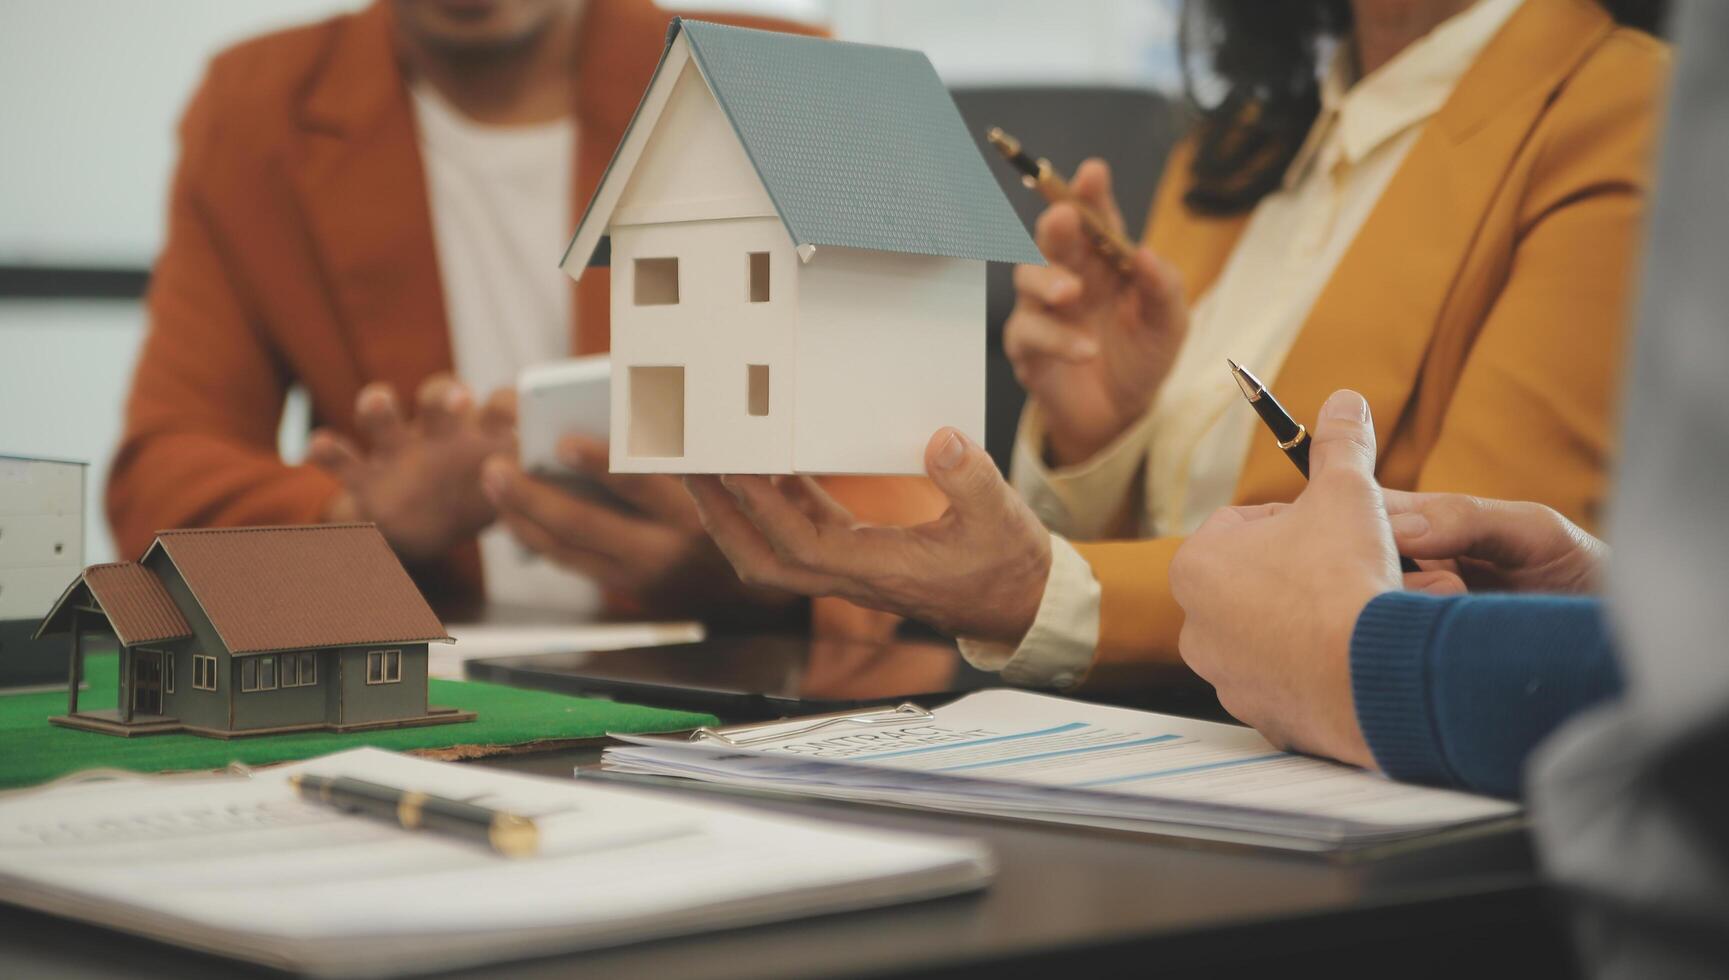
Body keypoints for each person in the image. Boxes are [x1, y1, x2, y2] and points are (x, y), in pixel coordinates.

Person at [684, 0, 1669, 685]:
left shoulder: (1623, 108)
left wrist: (1048, 590)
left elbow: (1481, 595)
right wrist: (1097, 439)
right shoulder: (1239, 140)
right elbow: (1147, 527)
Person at [107, 0, 942, 632]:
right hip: (422, 687)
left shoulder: (796, 85)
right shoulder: (255, 110)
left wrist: (756, 554)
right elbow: (161, 479)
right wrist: (354, 521)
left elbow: (922, 477)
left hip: (744, 689)